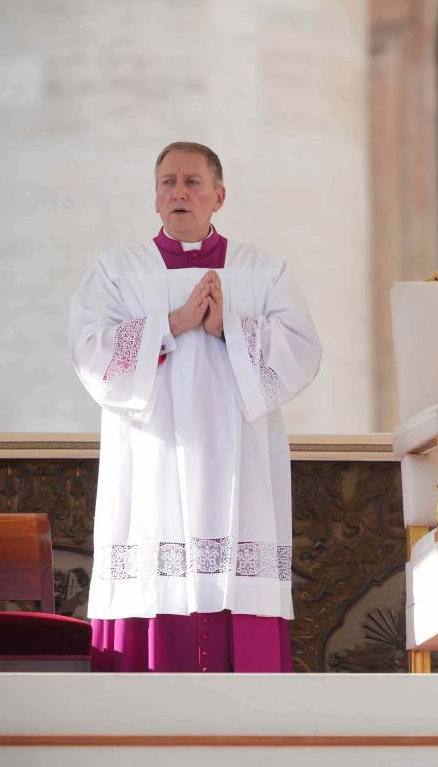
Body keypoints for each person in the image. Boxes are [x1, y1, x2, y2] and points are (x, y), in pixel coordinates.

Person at [71, 142, 322, 672]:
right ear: (155, 198)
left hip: (240, 461)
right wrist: (171, 323)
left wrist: (228, 326)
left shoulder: (262, 270)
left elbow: (302, 351)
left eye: (192, 182)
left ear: (219, 195)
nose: (178, 192)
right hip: (153, 460)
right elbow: (90, 354)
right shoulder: (117, 271)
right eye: (167, 182)